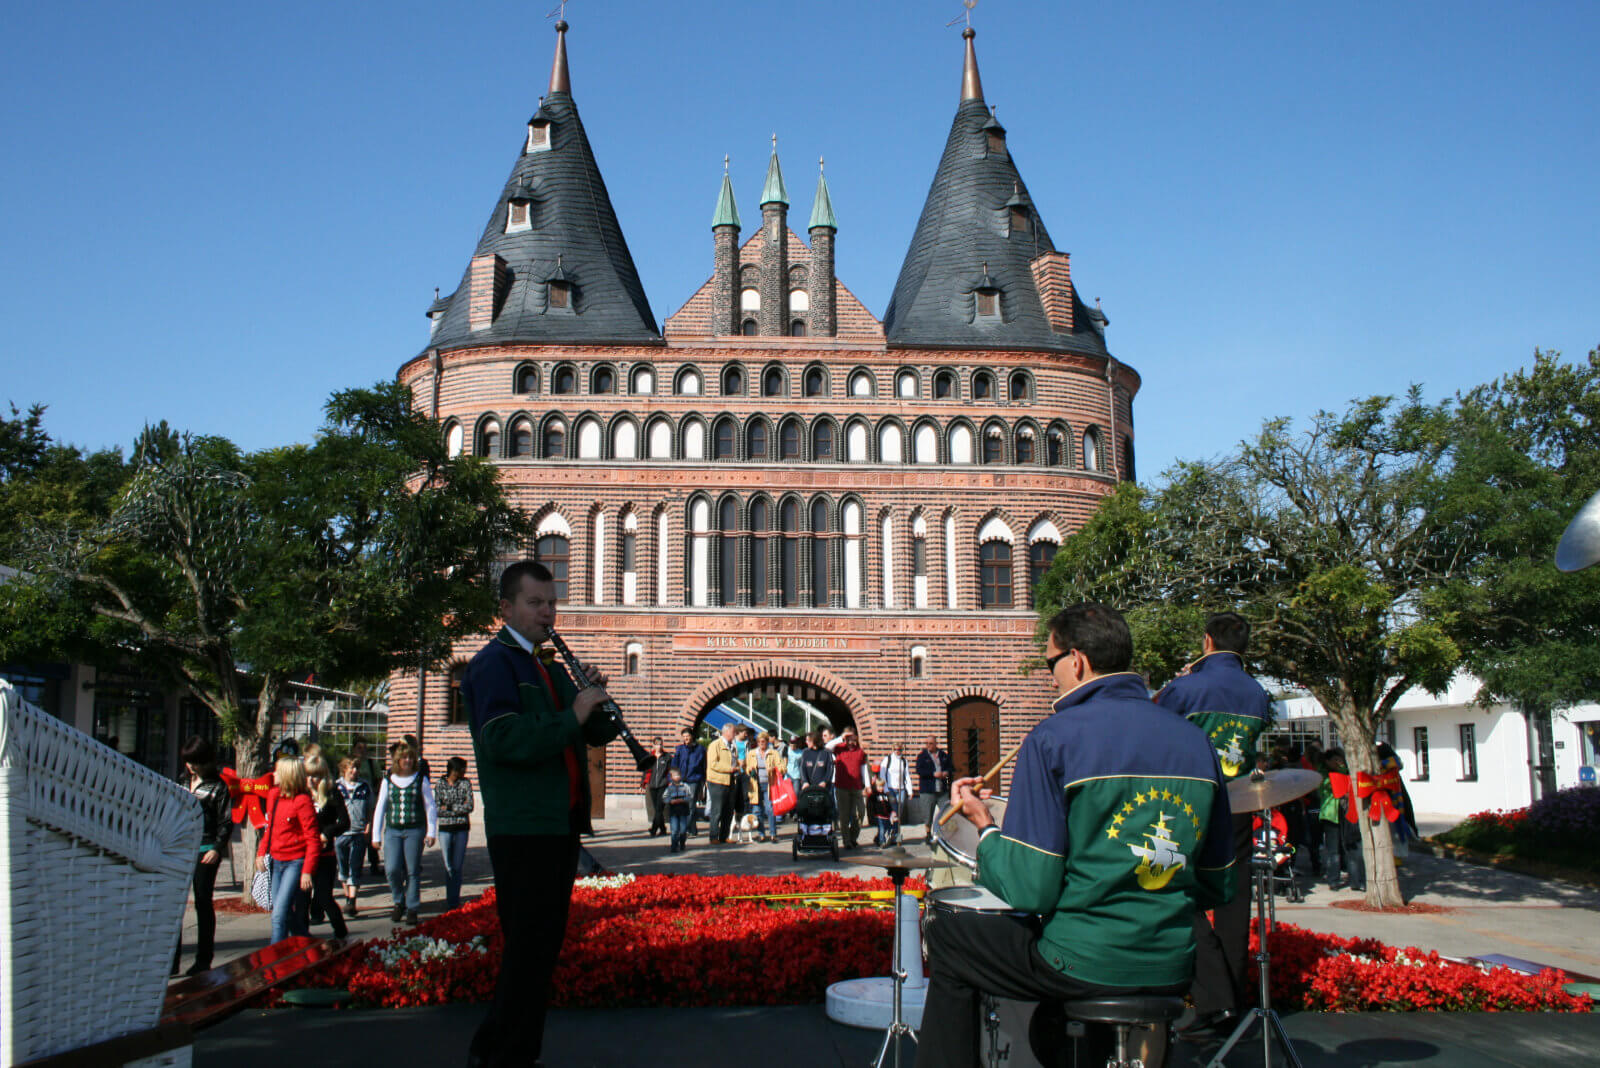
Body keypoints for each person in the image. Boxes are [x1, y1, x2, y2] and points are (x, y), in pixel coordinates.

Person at [921, 604, 1235, 1067]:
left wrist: (985, 827)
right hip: (1172, 964)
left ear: (1077, 660)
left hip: (1083, 962)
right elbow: (1215, 881)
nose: (1050, 679)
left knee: (948, 936)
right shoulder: (1196, 742)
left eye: (1051, 664)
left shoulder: (1052, 738)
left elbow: (1034, 889)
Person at [460, 560, 619, 1068]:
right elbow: (501, 739)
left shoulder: (546, 666)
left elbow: (594, 735)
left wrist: (597, 700)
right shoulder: (493, 664)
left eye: (552, 602)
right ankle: (494, 1056)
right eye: (536, 603)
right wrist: (571, 714)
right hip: (524, 827)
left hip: (558, 826)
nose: (548, 612)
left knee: (541, 953)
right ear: (505, 608)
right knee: (527, 951)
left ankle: (520, 1054)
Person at [1153, 611, 1274, 1039]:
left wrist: (1177, 682)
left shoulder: (1186, 688)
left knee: (1171, 889)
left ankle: (1214, 995)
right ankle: (1232, 1002)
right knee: (1234, 897)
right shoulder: (1258, 692)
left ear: (1207, 641)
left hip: (1191, 803)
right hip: (1239, 802)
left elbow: (1154, 728)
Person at [174, 736, 232, 975]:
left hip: (205, 848)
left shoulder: (218, 787)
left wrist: (217, 848)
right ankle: (172, 959)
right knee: (175, 905)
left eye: (195, 762)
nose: (191, 766)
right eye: (188, 762)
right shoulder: (183, 780)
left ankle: (203, 958)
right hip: (181, 848)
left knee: (202, 901)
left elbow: (226, 822)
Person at [255, 753, 319, 945]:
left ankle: (275, 956)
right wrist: (261, 853)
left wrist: (307, 871)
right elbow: (270, 828)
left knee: (279, 914)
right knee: (281, 911)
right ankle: (305, 942)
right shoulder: (274, 795)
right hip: (276, 860)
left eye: (277, 771)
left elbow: (313, 839)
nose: (273, 774)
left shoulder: (302, 801)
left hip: (295, 862)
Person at [372, 741, 437, 925]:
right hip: (393, 830)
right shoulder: (388, 781)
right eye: (404, 757)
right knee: (392, 869)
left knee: (412, 870)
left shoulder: (420, 779)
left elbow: (430, 806)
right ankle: (398, 900)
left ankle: (412, 907)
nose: (408, 760)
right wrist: (376, 836)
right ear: (397, 760)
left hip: (414, 829)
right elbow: (380, 807)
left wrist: (431, 831)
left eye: (410, 757)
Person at [302, 754, 351, 939]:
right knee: (302, 897)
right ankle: (301, 935)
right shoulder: (302, 794)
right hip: (304, 853)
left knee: (324, 897)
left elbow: (345, 822)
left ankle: (340, 932)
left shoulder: (332, 793)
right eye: (307, 775)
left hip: (324, 854)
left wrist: (327, 833)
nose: (311, 780)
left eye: (315, 776)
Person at [335, 756, 373, 918]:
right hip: (341, 833)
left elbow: (371, 808)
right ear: (344, 769)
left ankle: (352, 900)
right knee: (343, 866)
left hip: (358, 832)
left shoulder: (364, 787)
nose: (354, 771)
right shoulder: (336, 787)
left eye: (356, 768)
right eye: (351, 768)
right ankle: (347, 894)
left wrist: (368, 827)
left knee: (355, 865)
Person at [435, 756, 475, 911]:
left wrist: (449, 808)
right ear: (455, 770)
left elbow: (469, 806)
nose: (465, 771)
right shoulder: (440, 784)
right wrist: (458, 807)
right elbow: (438, 808)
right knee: (448, 865)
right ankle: (450, 896)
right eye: (463, 768)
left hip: (461, 829)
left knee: (457, 865)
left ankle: (453, 900)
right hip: (445, 830)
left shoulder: (465, 783)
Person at [348, 737, 385, 878]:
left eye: (364, 748)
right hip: (353, 802)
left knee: (370, 833)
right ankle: (355, 864)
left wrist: (373, 792)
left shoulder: (371, 763)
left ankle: (374, 863)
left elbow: (378, 780)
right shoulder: (350, 763)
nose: (362, 751)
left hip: (368, 800)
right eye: (359, 748)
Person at [833, 728, 869, 849]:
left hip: (857, 786)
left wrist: (867, 785)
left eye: (853, 738)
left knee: (860, 813)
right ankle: (847, 841)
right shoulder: (839, 749)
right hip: (842, 787)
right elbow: (827, 747)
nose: (851, 741)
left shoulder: (860, 752)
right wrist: (840, 738)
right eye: (848, 739)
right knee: (844, 815)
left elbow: (864, 769)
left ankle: (853, 837)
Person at [705, 723, 740, 844]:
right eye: (734, 732)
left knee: (728, 810)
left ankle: (724, 836)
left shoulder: (732, 746)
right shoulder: (715, 745)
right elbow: (713, 764)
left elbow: (734, 760)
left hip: (730, 781)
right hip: (717, 781)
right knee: (717, 810)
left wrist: (738, 766)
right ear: (727, 732)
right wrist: (730, 768)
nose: (735, 734)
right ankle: (713, 836)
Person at [914, 735, 954, 839]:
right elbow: (919, 770)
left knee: (946, 812)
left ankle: (947, 834)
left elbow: (951, 768)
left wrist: (946, 773)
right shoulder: (922, 756)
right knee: (927, 813)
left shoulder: (943, 755)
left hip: (941, 790)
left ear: (936, 744)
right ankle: (928, 834)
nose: (928, 746)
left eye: (931, 744)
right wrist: (932, 774)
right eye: (927, 744)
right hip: (928, 790)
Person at [671, 727, 706, 837]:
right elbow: (674, 765)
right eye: (684, 737)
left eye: (688, 736)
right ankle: (693, 830)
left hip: (693, 780)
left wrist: (704, 780)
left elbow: (704, 765)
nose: (686, 738)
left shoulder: (700, 749)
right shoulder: (680, 749)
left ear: (692, 736)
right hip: (681, 780)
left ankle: (684, 830)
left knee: (690, 806)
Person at [747, 732, 782, 842]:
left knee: (770, 809)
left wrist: (774, 769)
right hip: (755, 785)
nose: (761, 743)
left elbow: (782, 767)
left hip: (769, 784)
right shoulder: (752, 753)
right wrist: (750, 770)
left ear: (767, 741)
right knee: (757, 811)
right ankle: (761, 833)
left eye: (763, 741)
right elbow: (747, 767)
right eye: (759, 742)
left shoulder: (773, 753)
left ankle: (773, 833)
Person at [663, 767, 694, 853]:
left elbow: (690, 796)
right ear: (671, 777)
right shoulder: (669, 788)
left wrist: (683, 800)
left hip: (683, 810)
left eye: (678, 775)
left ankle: (682, 842)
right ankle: (674, 845)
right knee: (674, 829)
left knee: (683, 829)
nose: (677, 777)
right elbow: (665, 797)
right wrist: (670, 801)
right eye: (675, 775)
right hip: (674, 811)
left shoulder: (685, 786)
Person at [645, 738, 672, 837]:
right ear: (653, 745)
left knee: (659, 808)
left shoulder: (667, 757)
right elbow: (646, 771)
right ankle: (663, 829)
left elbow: (670, 771)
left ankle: (653, 829)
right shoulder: (650, 757)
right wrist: (642, 783)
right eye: (657, 744)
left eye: (660, 744)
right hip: (652, 785)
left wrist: (670, 782)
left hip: (662, 785)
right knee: (657, 809)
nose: (659, 746)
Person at [879, 740, 910, 826]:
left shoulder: (904, 761)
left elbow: (907, 775)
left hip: (901, 788)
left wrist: (910, 790)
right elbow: (882, 775)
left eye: (899, 749)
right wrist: (885, 788)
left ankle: (894, 826)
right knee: (894, 808)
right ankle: (894, 826)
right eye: (896, 749)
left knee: (900, 808)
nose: (897, 751)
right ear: (893, 749)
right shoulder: (887, 760)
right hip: (890, 788)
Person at [867, 774, 900, 847]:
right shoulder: (873, 796)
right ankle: (882, 842)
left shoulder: (885, 795)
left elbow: (888, 805)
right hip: (879, 816)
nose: (881, 788)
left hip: (886, 815)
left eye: (882, 786)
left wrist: (892, 811)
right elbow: (870, 806)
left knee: (886, 828)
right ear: (875, 786)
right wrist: (872, 815)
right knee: (882, 829)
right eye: (879, 786)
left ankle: (877, 838)